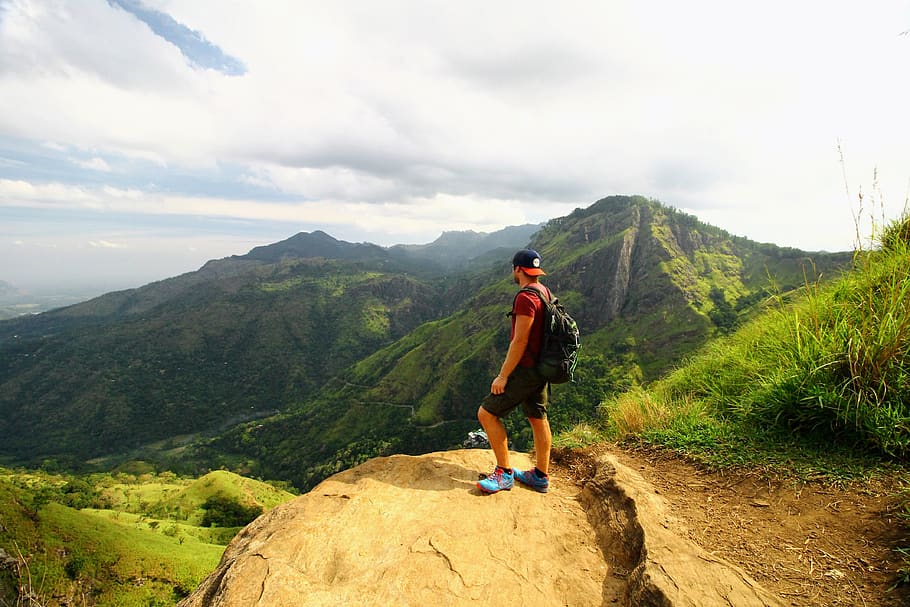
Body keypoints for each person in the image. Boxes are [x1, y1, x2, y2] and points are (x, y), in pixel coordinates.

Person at [476, 248, 552, 494]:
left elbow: (520, 341)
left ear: (518, 269)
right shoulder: (544, 292)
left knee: (487, 414)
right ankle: (540, 476)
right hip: (542, 368)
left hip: (526, 370)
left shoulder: (525, 298)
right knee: (538, 418)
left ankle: (504, 473)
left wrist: (503, 376)